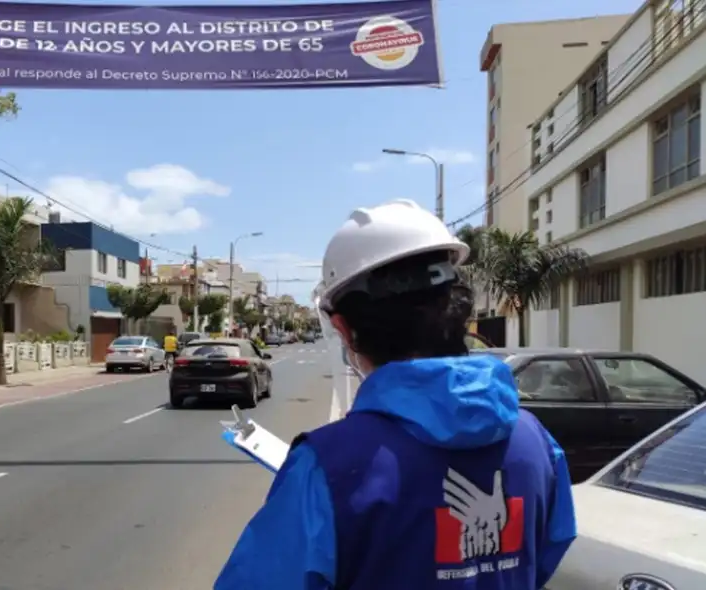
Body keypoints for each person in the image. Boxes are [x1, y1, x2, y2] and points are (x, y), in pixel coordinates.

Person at [214, 200, 576, 590]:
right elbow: (545, 554)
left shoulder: (325, 466)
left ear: (343, 328)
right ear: (458, 309)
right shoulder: (537, 442)